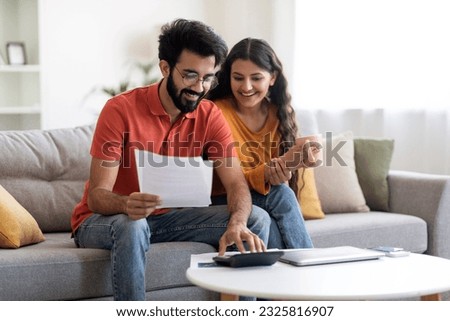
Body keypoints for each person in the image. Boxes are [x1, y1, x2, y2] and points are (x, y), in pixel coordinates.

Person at [71, 20, 271, 301]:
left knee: (256, 218)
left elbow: (236, 182)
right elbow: (96, 197)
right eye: (190, 75)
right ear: (165, 68)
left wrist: (237, 222)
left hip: (168, 220)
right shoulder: (120, 110)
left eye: (208, 77)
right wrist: (127, 203)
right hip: (103, 220)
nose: (199, 87)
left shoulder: (209, 114)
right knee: (133, 223)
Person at [208, 38, 319, 250]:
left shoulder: (279, 114)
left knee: (275, 212)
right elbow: (233, 181)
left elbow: (276, 183)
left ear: (272, 78)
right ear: (228, 77)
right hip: (225, 199)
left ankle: (285, 279)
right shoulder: (216, 112)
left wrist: (285, 169)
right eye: (238, 78)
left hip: (264, 199)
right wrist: (267, 175)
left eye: (256, 78)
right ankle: (309, 267)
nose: (246, 87)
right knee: (280, 194)